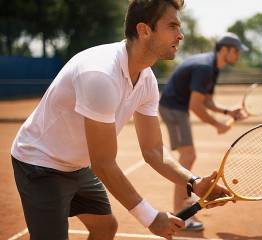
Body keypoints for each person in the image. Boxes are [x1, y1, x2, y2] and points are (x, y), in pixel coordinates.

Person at [10, 1, 230, 239]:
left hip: (76, 165)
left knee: (105, 228)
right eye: (173, 26)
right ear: (144, 30)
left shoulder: (146, 80)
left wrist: (193, 182)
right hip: (40, 163)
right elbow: (103, 163)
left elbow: (154, 150)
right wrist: (150, 217)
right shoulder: (100, 75)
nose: (181, 35)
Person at [159, 32, 249, 231]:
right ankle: (181, 215)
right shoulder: (206, 68)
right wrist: (218, 125)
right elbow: (196, 105)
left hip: (177, 107)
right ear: (224, 50)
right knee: (188, 156)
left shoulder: (212, 67)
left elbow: (205, 100)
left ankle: (181, 209)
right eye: (237, 51)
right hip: (173, 108)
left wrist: (227, 112)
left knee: (187, 157)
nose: (239, 55)